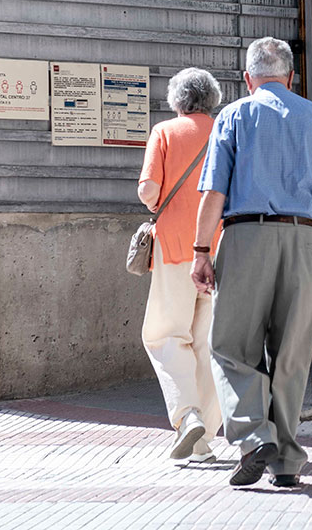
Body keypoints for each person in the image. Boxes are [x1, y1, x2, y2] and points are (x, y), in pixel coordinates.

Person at [190, 37, 312, 488]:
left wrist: (202, 252)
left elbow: (214, 194)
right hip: (306, 239)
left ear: (248, 79)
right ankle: (285, 463)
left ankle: (255, 434)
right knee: (292, 356)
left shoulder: (235, 115)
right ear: (291, 77)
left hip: (246, 236)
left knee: (230, 346)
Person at [137, 67, 224, 465]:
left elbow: (149, 190)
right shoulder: (227, 130)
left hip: (176, 249)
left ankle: (187, 415)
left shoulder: (165, 132)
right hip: (223, 249)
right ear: (212, 98)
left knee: (164, 335)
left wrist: (159, 204)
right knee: (208, 344)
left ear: (177, 100)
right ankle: (205, 435)